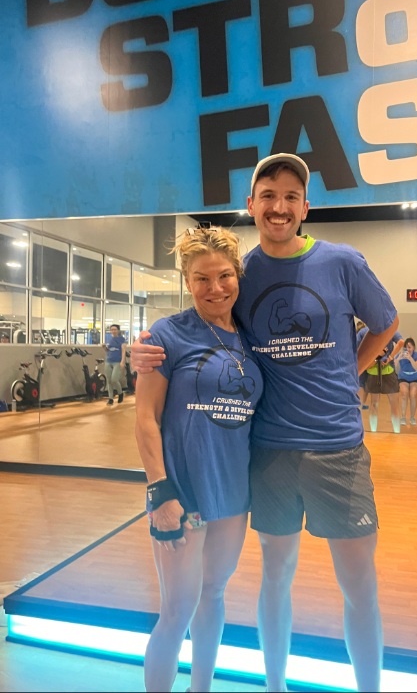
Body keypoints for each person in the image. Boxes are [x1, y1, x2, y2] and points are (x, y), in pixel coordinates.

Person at [131, 153, 399, 693]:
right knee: (273, 578)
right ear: (251, 205)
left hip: (337, 449)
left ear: (306, 206)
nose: (279, 207)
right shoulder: (243, 273)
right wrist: (137, 353)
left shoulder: (342, 261)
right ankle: (275, 686)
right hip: (270, 452)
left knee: (359, 587)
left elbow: (386, 322)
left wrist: (348, 371)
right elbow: (194, 329)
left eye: (291, 197)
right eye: (268, 196)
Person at [134, 226, 263, 693]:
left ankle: (200, 688)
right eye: (201, 278)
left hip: (232, 493)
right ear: (187, 281)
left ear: (238, 275)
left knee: (213, 595)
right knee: (177, 610)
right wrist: (160, 491)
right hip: (182, 492)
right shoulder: (166, 335)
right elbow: (145, 419)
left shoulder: (251, 337)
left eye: (224, 275)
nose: (215, 288)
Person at [364, 333, 405, 433]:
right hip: (375, 370)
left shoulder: (387, 330)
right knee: (377, 404)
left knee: (385, 404)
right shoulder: (371, 331)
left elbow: (401, 342)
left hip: (385, 370)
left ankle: (395, 432)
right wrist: (382, 356)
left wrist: (390, 357)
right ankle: (377, 433)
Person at [395, 337, 417, 425]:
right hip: (403, 377)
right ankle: (403, 417)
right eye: (406, 347)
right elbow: (394, 365)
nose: (408, 349)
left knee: (413, 395)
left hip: (415, 377)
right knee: (404, 394)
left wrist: (410, 358)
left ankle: (412, 417)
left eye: (409, 347)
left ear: (413, 347)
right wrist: (399, 358)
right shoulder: (401, 355)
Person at [103, 323, 127, 405]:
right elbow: (107, 350)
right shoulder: (109, 339)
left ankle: (120, 393)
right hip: (108, 360)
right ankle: (110, 398)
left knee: (114, 379)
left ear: (118, 330)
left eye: (115, 329)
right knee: (109, 380)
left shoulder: (122, 339)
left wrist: (123, 361)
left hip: (117, 361)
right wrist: (104, 347)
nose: (113, 331)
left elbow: (123, 351)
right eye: (112, 330)